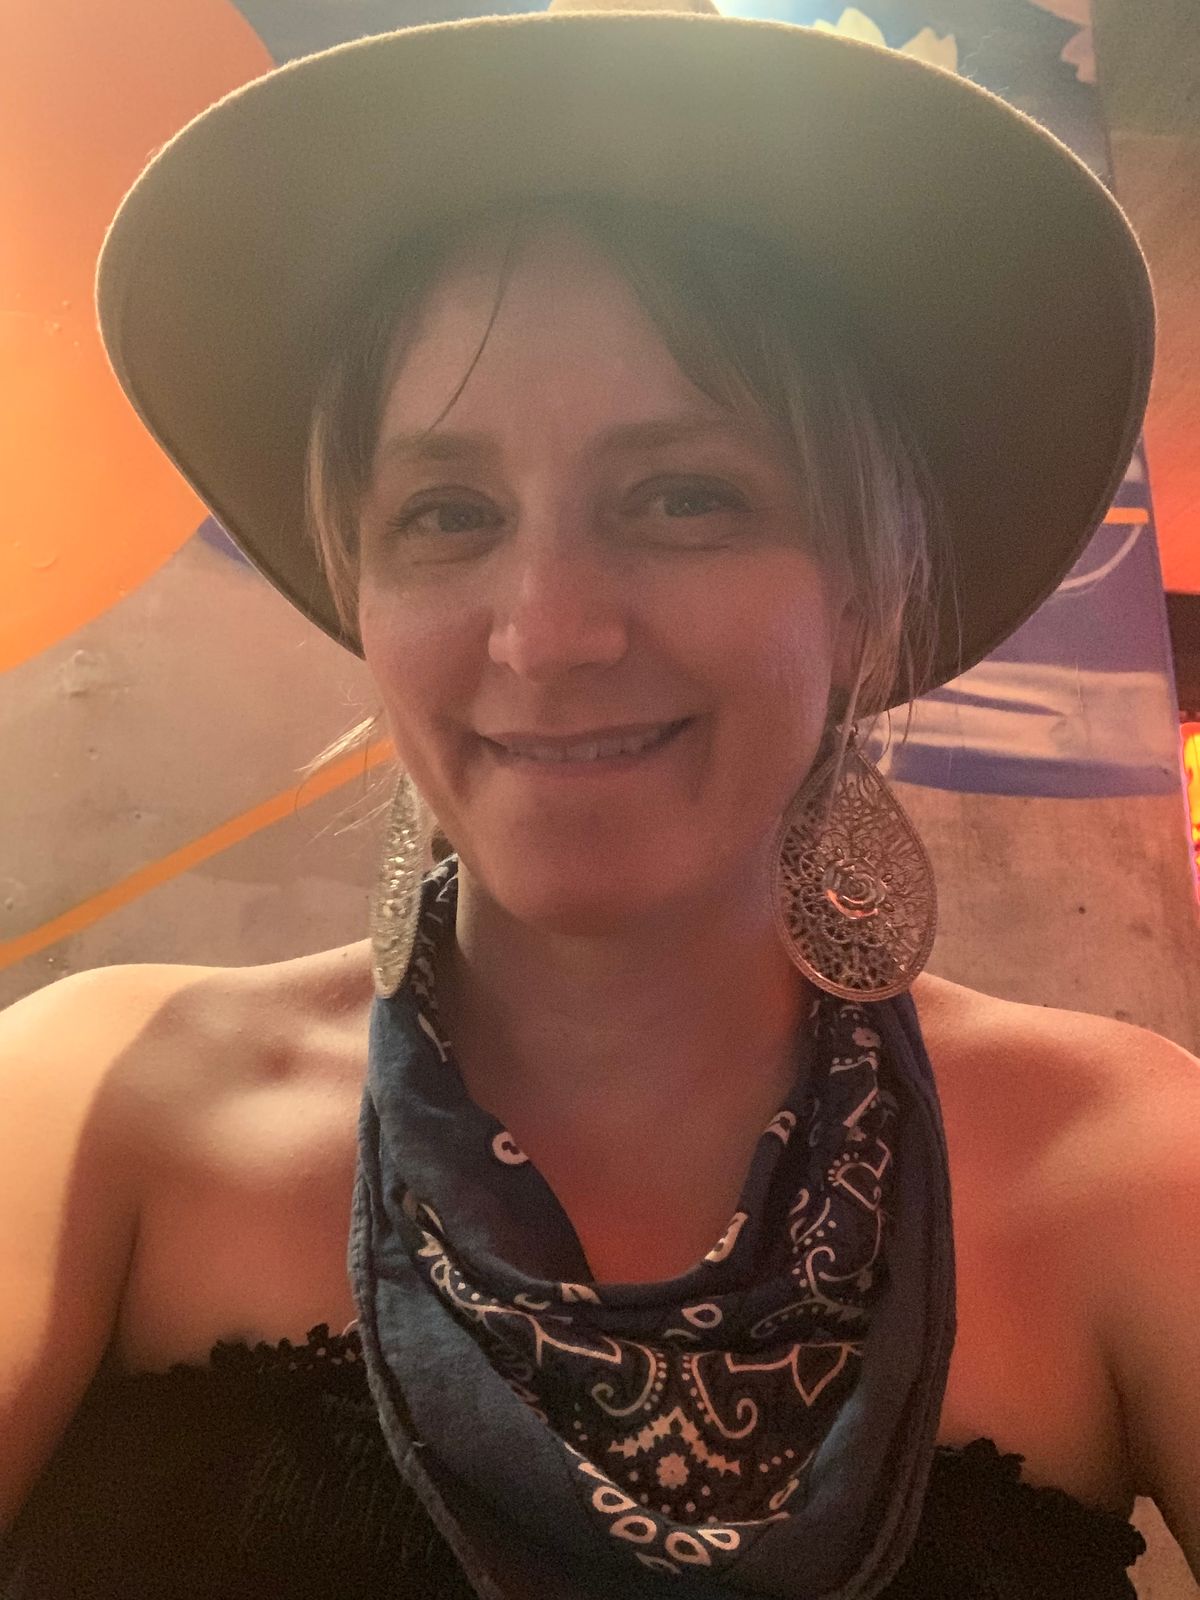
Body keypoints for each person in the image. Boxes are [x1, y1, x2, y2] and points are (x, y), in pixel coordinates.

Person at [1, 1, 1197, 1596]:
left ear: (861, 594)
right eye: (448, 512)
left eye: (684, 497)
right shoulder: (92, 1108)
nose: (549, 630)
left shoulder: (1130, 1169)